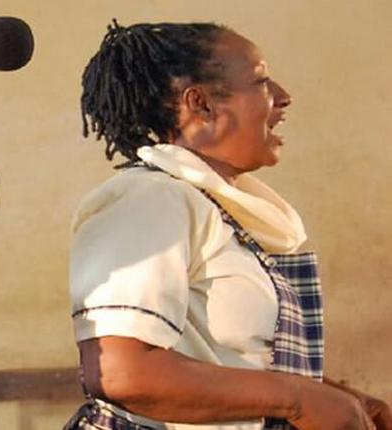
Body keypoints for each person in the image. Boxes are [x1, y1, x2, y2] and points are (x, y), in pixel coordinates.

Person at [66, 21, 392, 430]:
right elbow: (121, 372)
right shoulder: (149, 199)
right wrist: (299, 400)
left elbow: (224, 359)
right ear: (201, 104)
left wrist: (341, 398)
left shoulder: (210, 208)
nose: (283, 97)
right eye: (260, 81)